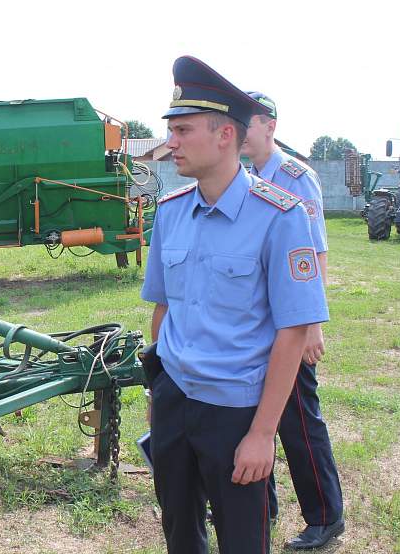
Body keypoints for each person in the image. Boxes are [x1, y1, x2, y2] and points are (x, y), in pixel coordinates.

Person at [141, 56, 329, 553]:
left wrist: (263, 434)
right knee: (179, 531)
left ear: (225, 135)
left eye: (183, 130)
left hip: (235, 410)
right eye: (172, 130)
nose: (171, 142)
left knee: (243, 539)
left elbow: (293, 330)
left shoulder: (281, 216)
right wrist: (158, 393)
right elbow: (163, 309)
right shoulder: (171, 212)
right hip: (175, 398)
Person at [240, 92, 345, 549]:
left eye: (247, 123)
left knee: (299, 420)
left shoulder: (296, 178)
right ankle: (262, 504)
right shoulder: (244, 177)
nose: (239, 132)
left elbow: (313, 253)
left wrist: (311, 326)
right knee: (251, 413)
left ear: (270, 126)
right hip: (256, 318)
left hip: (290, 321)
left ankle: (325, 516)